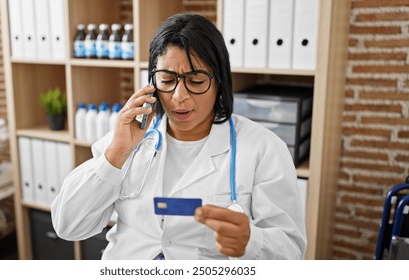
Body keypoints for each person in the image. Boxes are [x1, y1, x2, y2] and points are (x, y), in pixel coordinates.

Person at [51, 13, 306, 260]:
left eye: (196, 81)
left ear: (220, 83)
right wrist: (116, 153)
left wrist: (252, 242)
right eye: (167, 79)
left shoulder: (263, 148)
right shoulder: (126, 139)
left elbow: (291, 251)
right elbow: (68, 225)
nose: (179, 96)